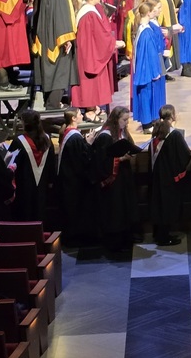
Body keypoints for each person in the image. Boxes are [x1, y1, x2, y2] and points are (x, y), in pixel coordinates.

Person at [91, 106, 141, 252]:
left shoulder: (121, 133)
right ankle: (114, 242)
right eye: (124, 120)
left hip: (123, 177)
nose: (126, 123)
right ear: (115, 119)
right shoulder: (105, 136)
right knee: (115, 210)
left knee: (125, 207)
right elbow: (101, 161)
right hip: (112, 182)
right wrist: (120, 159)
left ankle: (126, 236)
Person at [32, 0, 78, 110]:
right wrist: (66, 39)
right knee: (59, 70)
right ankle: (53, 105)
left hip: (46, 36)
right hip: (56, 38)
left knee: (50, 72)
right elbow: (60, 16)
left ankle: (50, 102)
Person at [72, 0, 120, 119]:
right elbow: (98, 36)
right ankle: (90, 111)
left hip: (88, 51)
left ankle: (93, 107)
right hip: (89, 54)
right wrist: (113, 43)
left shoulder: (90, 10)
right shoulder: (89, 14)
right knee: (90, 84)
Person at [148, 106, 190, 247]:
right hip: (169, 178)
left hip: (157, 177)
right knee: (167, 207)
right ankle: (164, 237)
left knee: (159, 206)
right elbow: (185, 155)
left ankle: (159, 233)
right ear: (173, 116)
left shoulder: (156, 132)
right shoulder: (174, 135)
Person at [56, 109, 96, 246]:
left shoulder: (67, 133)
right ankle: (75, 239)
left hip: (67, 179)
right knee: (76, 211)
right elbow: (82, 159)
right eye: (79, 114)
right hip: (74, 182)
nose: (81, 116)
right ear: (73, 118)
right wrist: (89, 144)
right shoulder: (74, 137)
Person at [9, 109, 56, 221]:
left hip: (23, 187)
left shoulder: (18, 142)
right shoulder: (47, 140)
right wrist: (50, 182)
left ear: (25, 123)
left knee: (25, 216)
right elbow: (51, 163)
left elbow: (10, 163)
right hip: (43, 186)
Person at [131, 0, 168, 130]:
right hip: (146, 69)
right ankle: (146, 124)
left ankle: (148, 123)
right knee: (146, 94)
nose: (155, 12)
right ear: (148, 13)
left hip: (145, 67)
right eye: (153, 11)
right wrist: (155, 72)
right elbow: (150, 54)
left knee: (146, 94)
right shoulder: (146, 32)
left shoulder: (143, 29)